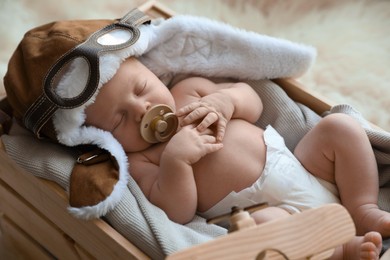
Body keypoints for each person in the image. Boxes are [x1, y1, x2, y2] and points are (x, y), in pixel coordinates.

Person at [85, 57, 385, 259]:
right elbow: (177, 212)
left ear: (155, 75)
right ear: (105, 137)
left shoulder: (188, 92)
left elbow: (252, 102)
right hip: (272, 210)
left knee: (338, 127)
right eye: (118, 120)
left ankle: (362, 207)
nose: (140, 109)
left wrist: (226, 100)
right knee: (265, 228)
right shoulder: (140, 161)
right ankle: (340, 249)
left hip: (307, 167)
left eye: (142, 89)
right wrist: (175, 162)